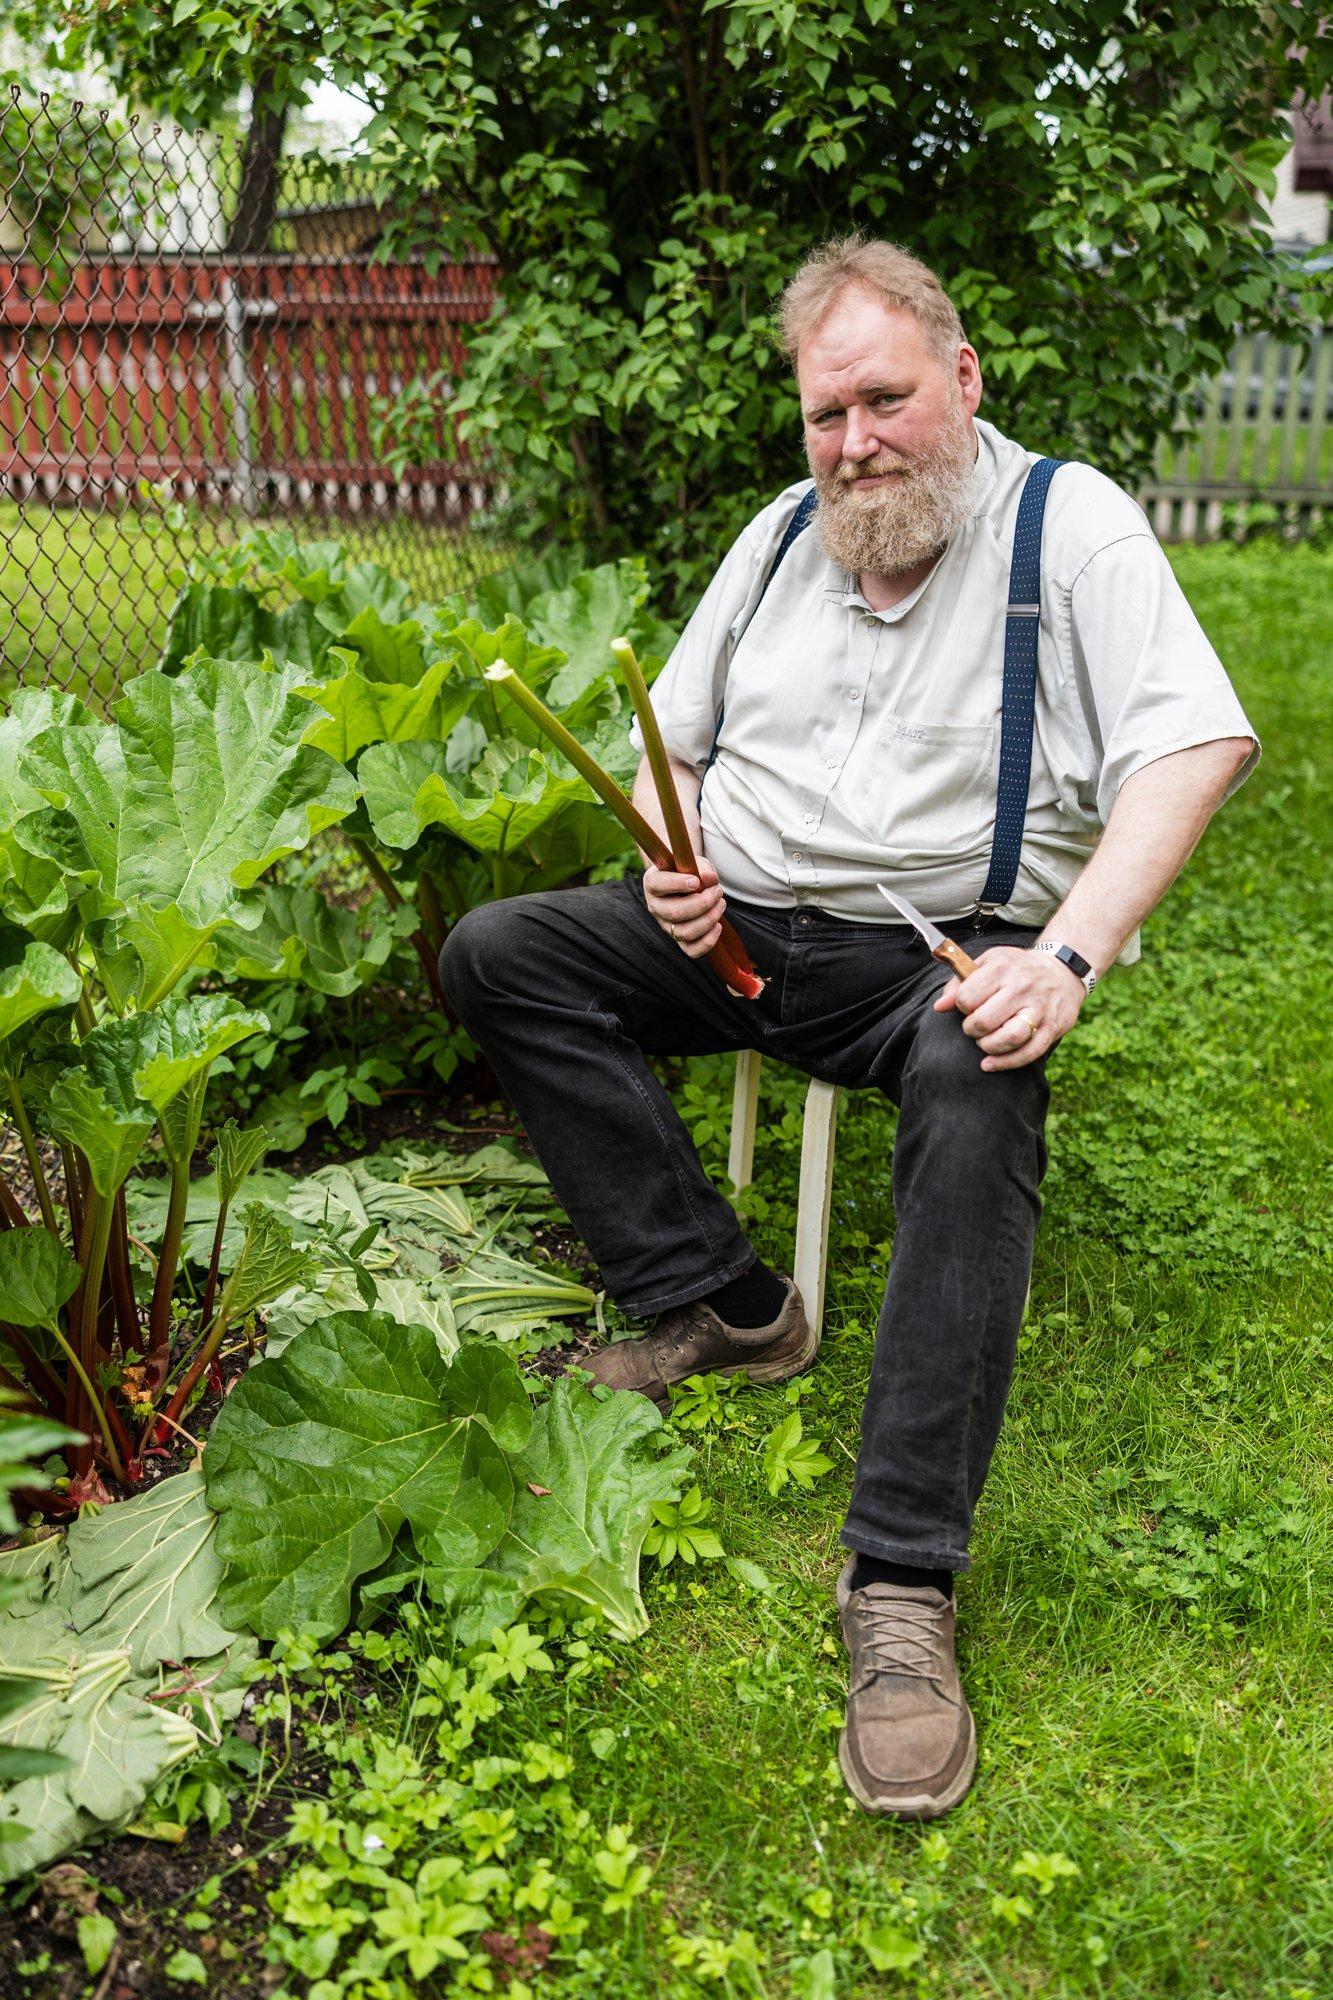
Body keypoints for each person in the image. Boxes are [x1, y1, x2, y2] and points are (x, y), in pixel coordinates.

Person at [440, 236, 1258, 1820]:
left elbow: (1194, 741)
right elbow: (670, 750)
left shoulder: (1062, 526)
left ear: (958, 379)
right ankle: (723, 1298)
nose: (855, 442)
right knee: (499, 953)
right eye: (826, 415)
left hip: (934, 953)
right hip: (745, 935)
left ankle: (898, 1582)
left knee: (977, 1084)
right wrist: (672, 872)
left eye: (883, 399)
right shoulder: (772, 541)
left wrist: (1068, 959)